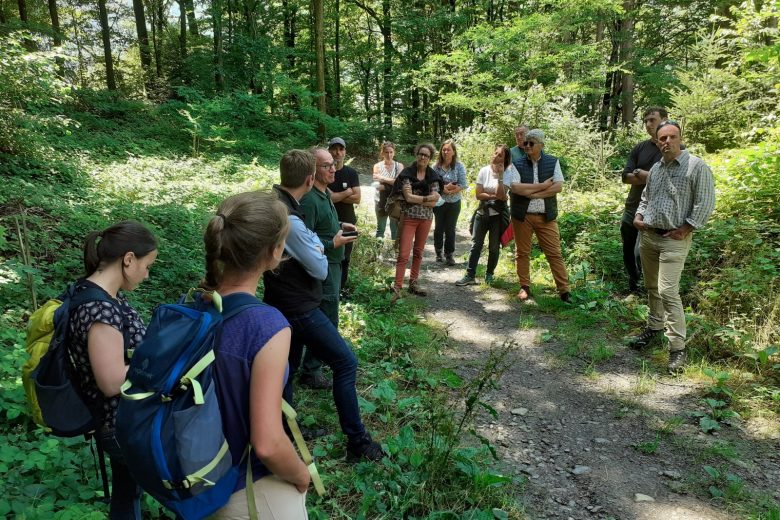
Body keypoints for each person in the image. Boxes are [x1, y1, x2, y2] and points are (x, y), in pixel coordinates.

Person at [263, 149, 383, 461]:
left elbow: (311, 244)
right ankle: (358, 442)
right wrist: (321, 246)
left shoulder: (278, 204)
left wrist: (317, 243)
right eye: (324, 166)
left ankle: (285, 431)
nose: (330, 169)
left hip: (282, 303)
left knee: (286, 370)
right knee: (345, 362)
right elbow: (319, 267)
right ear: (309, 177)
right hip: (299, 307)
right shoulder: (289, 215)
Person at [204, 191, 311, 519]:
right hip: (246, 491)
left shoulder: (193, 305)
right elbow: (266, 443)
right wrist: (301, 475)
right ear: (275, 251)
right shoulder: (268, 326)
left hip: (198, 481)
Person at [67, 220, 158, 519]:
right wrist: (159, 365)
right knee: (139, 495)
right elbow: (111, 380)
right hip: (120, 424)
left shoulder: (100, 295)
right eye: (147, 265)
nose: (147, 274)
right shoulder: (100, 309)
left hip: (123, 421)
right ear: (129, 259)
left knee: (126, 494)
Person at [631, 121, 715, 373]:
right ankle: (654, 328)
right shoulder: (656, 168)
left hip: (674, 239)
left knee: (668, 291)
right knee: (652, 287)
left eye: (671, 137)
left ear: (680, 138)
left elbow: (705, 202)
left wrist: (687, 228)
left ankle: (677, 348)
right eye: (662, 138)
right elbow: (646, 198)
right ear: (657, 142)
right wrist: (639, 216)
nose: (666, 141)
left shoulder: (695, 166)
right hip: (649, 236)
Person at [297, 147, 358, 390]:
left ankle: (312, 367)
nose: (333, 168)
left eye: (333, 163)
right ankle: (311, 371)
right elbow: (303, 240)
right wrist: (332, 242)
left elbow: (322, 225)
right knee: (326, 319)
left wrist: (340, 224)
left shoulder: (324, 193)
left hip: (334, 263)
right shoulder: (310, 199)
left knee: (327, 316)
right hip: (325, 266)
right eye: (326, 165)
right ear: (312, 170)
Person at [504, 129, 571, 303]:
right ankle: (524, 287)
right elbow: (516, 188)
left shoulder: (552, 161)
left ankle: (564, 291)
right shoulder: (517, 164)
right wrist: (542, 186)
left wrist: (535, 193)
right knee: (522, 253)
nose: (526, 146)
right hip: (522, 215)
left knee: (554, 253)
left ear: (541, 145)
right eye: (525, 143)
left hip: (546, 215)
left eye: (531, 143)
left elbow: (558, 187)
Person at [621, 107, 683, 293]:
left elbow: (674, 178)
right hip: (633, 206)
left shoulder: (676, 148)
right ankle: (634, 287)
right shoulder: (640, 147)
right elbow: (625, 176)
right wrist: (650, 175)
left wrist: (643, 174)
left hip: (658, 209)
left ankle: (651, 289)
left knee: (643, 252)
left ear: (664, 120)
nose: (648, 124)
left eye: (652, 119)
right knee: (628, 249)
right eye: (646, 120)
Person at [390, 143, 442, 302]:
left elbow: (434, 202)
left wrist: (418, 199)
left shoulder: (433, 175)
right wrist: (426, 199)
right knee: (404, 254)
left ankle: (413, 283)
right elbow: (408, 198)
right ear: (416, 154)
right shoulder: (407, 173)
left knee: (419, 252)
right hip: (409, 217)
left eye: (426, 155)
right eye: (421, 154)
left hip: (426, 219)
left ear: (430, 158)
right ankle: (397, 287)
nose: (423, 157)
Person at [456, 145, 513, 286]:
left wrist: (500, 178)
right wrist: (494, 196)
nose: (496, 156)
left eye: (500, 155)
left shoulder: (508, 172)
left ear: (505, 160)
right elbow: (478, 194)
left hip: (498, 216)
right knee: (476, 245)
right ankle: (470, 275)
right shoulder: (484, 171)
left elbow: (501, 194)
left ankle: (489, 275)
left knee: (494, 247)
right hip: (482, 213)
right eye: (495, 153)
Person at [326, 137, 361, 296]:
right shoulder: (324, 172)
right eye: (334, 149)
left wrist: (337, 195)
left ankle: (341, 290)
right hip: (328, 221)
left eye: (341, 149)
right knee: (329, 257)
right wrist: (347, 192)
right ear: (329, 151)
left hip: (348, 221)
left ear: (345, 152)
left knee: (345, 258)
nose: (337, 152)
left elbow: (358, 198)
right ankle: (329, 290)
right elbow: (329, 198)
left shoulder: (351, 173)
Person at [432, 139, 467, 265]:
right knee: (439, 228)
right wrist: (444, 188)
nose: (446, 152)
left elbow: (463, 184)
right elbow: (432, 184)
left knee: (451, 228)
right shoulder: (435, 167)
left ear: (453, 152)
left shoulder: (459, 166)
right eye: (444, 149)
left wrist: (451, 190)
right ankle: (438, 252)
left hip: (454, 202)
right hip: (439, 202)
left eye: (448, 150)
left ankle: (449, 254)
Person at [372, 141, 404, 241]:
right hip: (380, 201)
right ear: (382, 153)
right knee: (380, 228)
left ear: (394, 152)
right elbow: (378, 186)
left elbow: (399, 184)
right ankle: (377, 253)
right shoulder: (377, 166)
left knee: (395, 229)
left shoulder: (399, 166)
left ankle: (396, 253)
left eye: (391, 152)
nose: (389, 155)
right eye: (386, 152)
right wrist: (393, 182)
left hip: (395, 201)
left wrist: (382, 179)